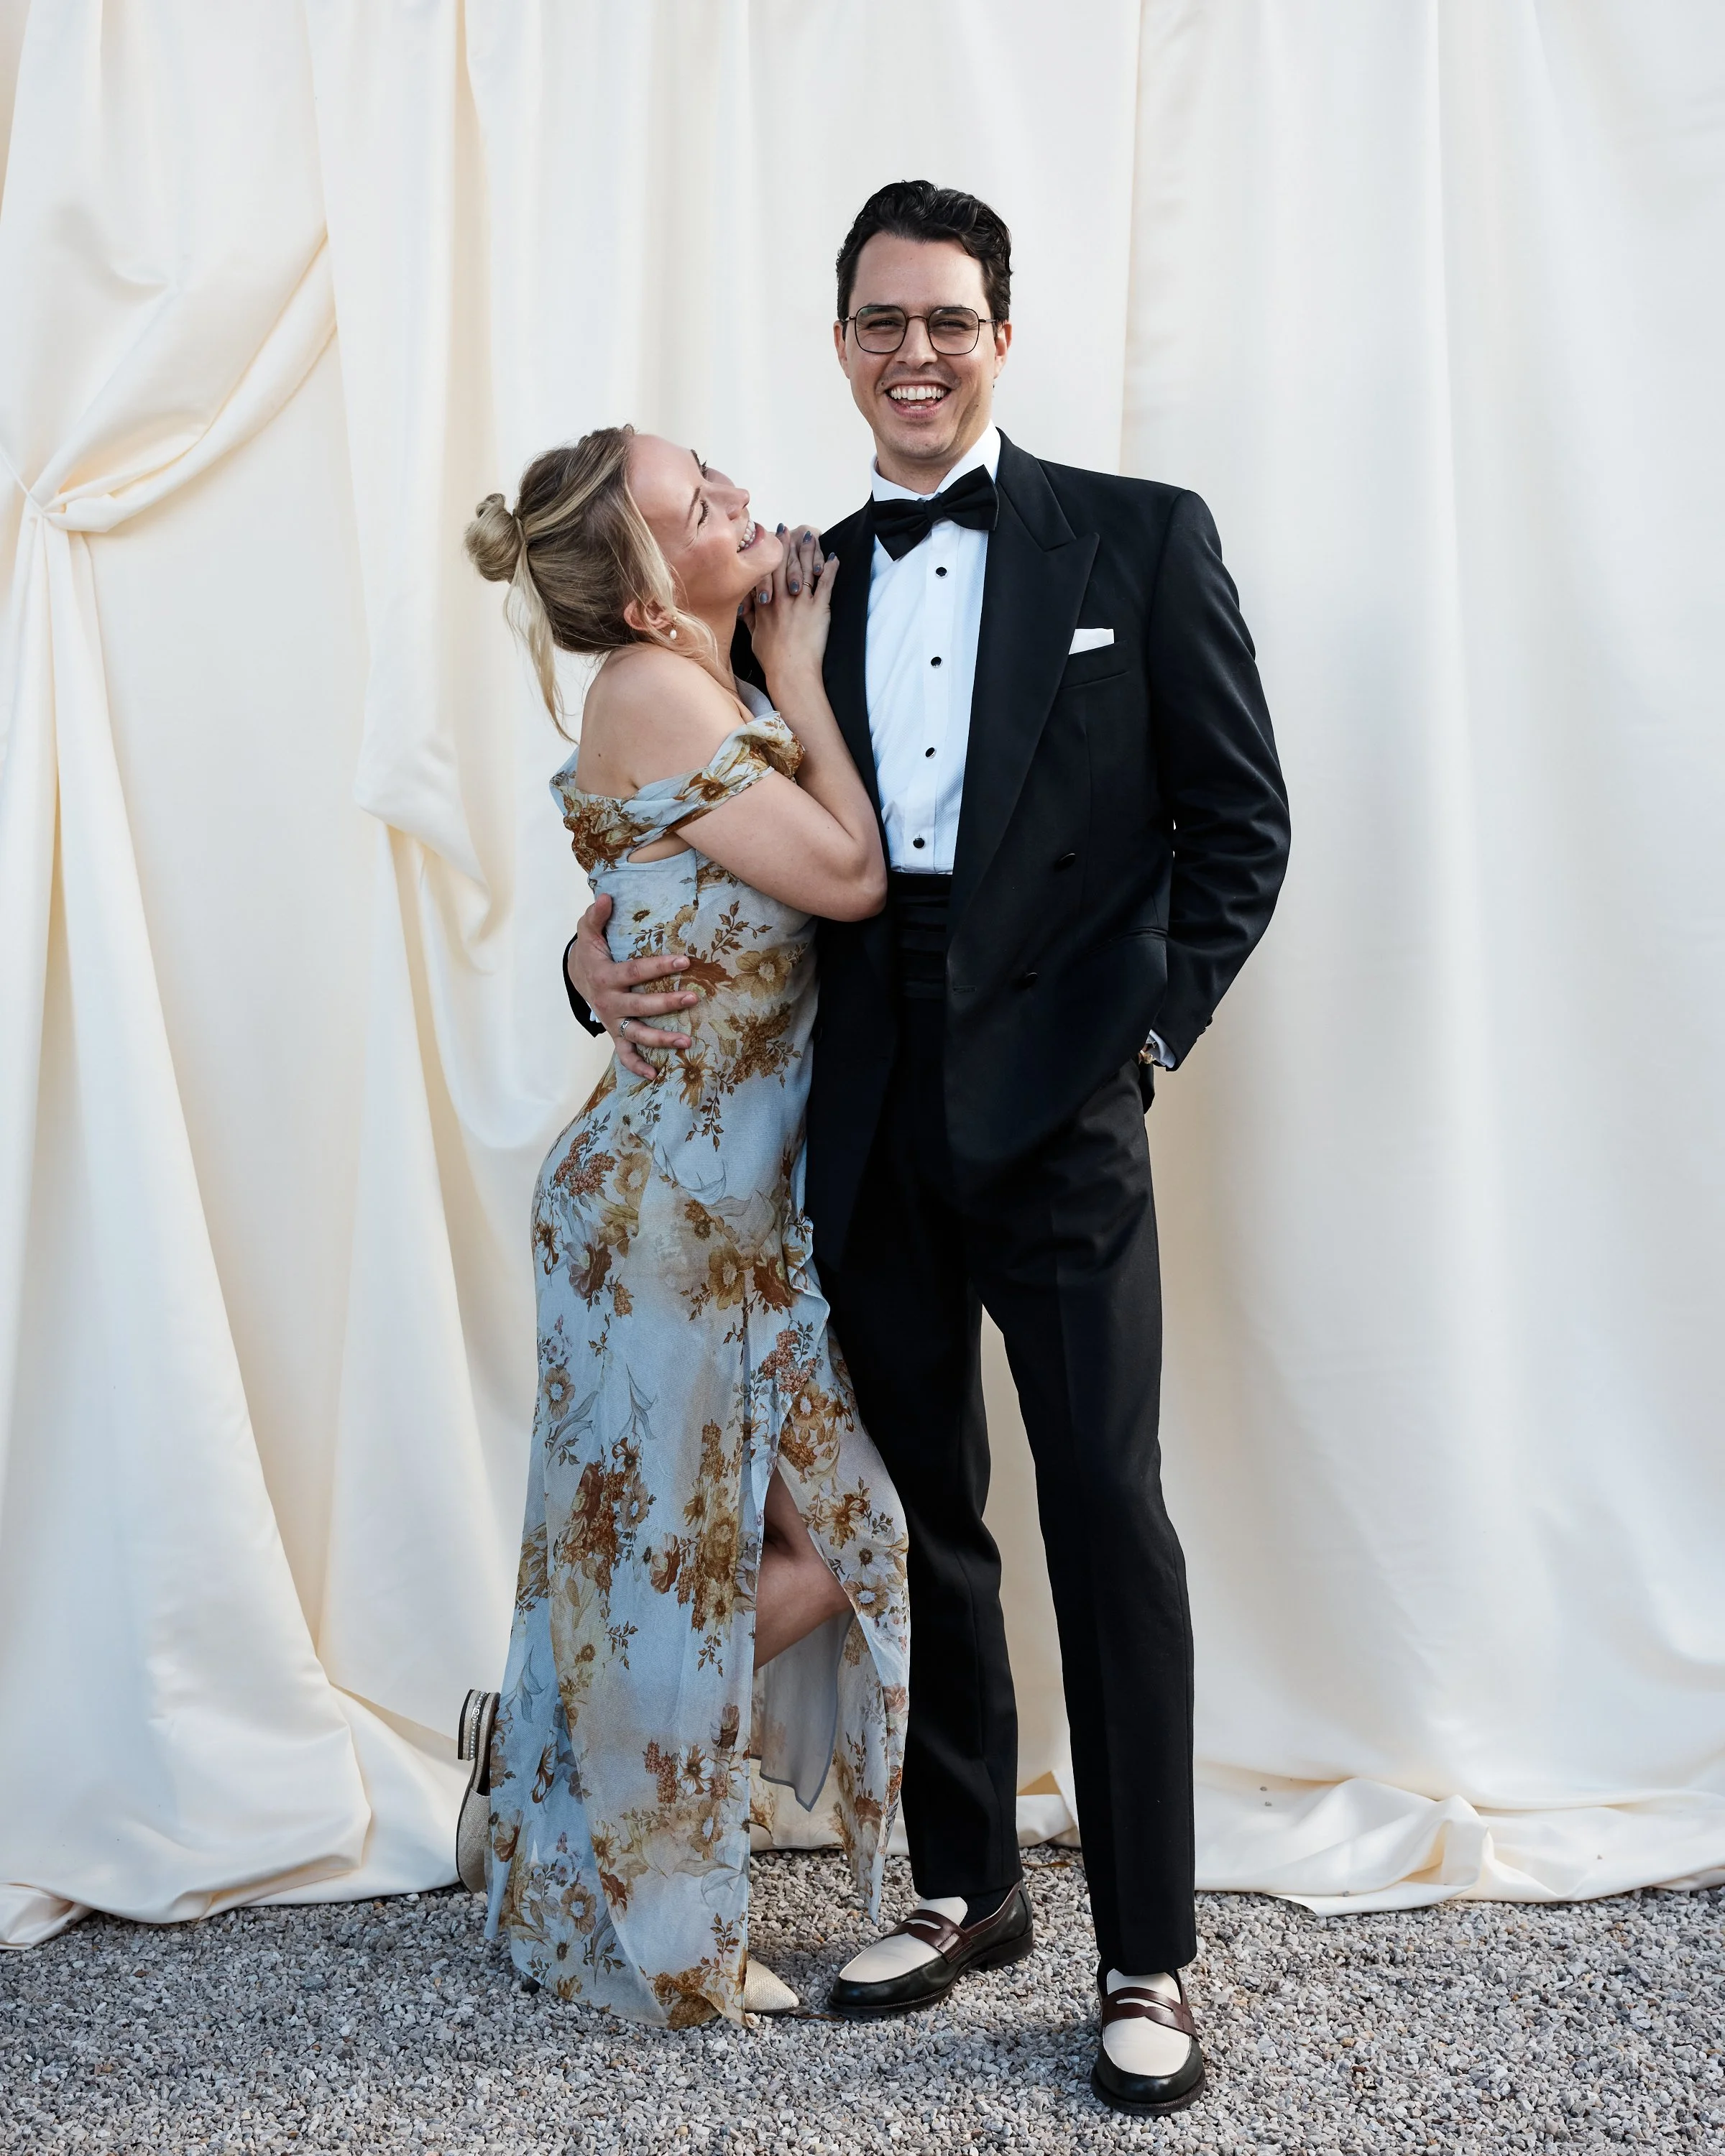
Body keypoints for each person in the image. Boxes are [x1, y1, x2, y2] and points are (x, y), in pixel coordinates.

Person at [564, 181, 1290, 2113]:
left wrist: (1142, 1045)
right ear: (841, 342)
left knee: (1105, 1518)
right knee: (926, 1517)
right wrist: (586, 960)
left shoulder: (1141, 538)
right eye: (881, 321)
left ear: (1001, 333)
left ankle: (1150, 1949)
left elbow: (1241, 831)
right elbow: (666, 820)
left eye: (947, 319)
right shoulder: (793, 589)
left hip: (1065, 1106)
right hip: (859, 1111)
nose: (914, 351)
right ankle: (969, 1886)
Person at [463, 425, 909, 2028]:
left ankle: (540, 1766)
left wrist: (597, 961)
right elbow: (851, 875)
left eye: (710, 469)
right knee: (691, 1555)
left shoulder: (694, 693)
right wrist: (797, 666)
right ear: (650, 601)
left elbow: (671, 910)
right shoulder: (661, 694)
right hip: (660, 1212)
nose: (734, 495)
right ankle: (647, 1912)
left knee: (763, 1542)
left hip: (724, 1205)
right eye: (694, 505)